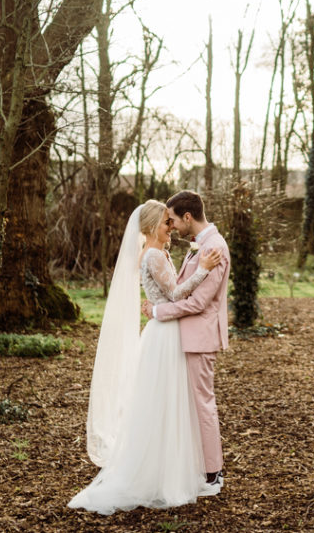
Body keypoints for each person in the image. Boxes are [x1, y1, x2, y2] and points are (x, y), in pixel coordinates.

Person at [69, 200, 222, 515]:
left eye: (171, 221)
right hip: (164, 334)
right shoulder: (152, 255)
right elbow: (177, 294)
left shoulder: (159, 253)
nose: (172, 228)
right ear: (155, 226)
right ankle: (158, 471)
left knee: (168, 402)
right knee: (162, 401)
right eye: (167, 223)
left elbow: (170, 290)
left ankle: (169, 464)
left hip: (165, 330)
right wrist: (203, 270)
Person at [141, 190, 230, 492]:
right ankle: (196, 466)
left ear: (188, 217)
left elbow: (199, 303)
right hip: (185, 335)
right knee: (188, 405)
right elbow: (181, 288)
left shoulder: (215, 247)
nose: (173, 226)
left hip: (199, 336)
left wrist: (157, 311)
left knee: (202, 404)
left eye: (174, 220)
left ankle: (213, 472)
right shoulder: (200, 246)